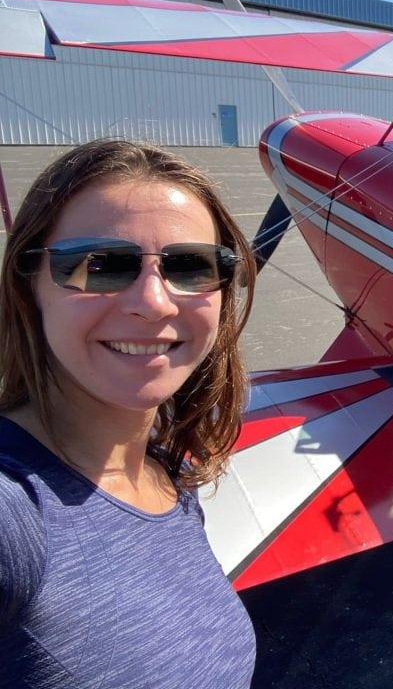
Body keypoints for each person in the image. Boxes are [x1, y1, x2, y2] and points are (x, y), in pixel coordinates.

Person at [0, 140, 259, 687]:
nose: (155, 301)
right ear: (30, 286)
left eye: (191, 266)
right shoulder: (13, 511)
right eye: (100, 265)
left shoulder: (169, 476)